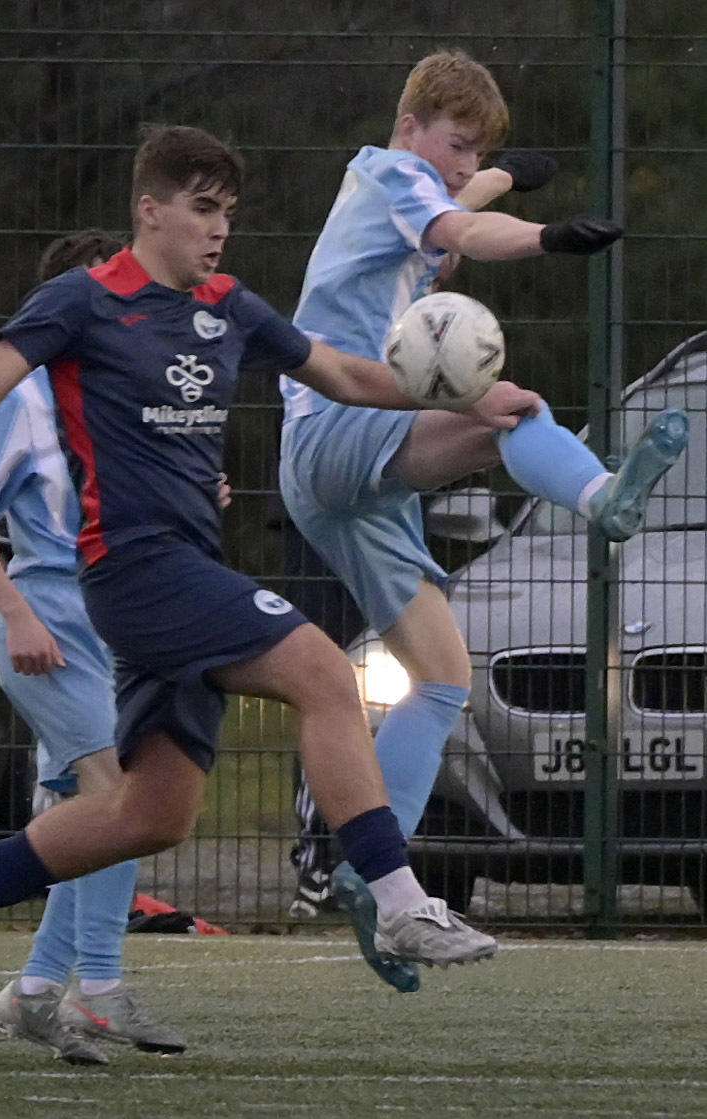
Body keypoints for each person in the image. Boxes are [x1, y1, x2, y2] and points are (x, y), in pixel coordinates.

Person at [0, 124, 544, 1026]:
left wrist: (453, 390)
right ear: (149, 211)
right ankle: (398, 903)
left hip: (187, 567)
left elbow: (341, 369)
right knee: (319, 674)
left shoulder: (227, 304)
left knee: (152, 812)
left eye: (225, 211)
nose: (217, 229)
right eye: (199, 209)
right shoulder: (81, 300)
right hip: (134, 572)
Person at [278, 50, 688, 990]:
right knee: (507, 406)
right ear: (412, 125)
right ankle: (600, 497)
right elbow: (460, 219)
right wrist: (543, 234)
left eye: (472, 154)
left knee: (442, 679)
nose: (461, 166)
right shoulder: (389, 173)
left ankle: (373, 879)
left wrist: (507, 165)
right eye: (455, 145)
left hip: (339, 471)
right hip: (337, 430)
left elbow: (465, 197)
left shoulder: (419, 175)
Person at [0, 229, 189, 1063]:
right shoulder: (22, 394)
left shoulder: (119, 397)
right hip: (47, 631)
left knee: (100, 815)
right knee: (120, 800)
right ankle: (99, 990)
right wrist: (17, 614)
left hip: (112, 633)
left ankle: (39, 990)